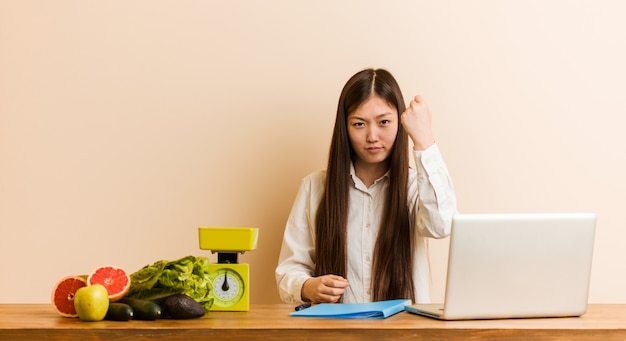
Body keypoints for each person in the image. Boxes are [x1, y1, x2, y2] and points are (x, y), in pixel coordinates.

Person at [275, 68, 457, 304]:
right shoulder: (315, 187)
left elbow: (442, 224)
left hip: (404, 333)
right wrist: (308, 287)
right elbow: (289, 270)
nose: (372, 136)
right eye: (359, 124)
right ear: (345, 127)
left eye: (384, 122)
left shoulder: (414, 188)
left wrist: (424, 138)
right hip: (336, 333)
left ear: (400, 123)